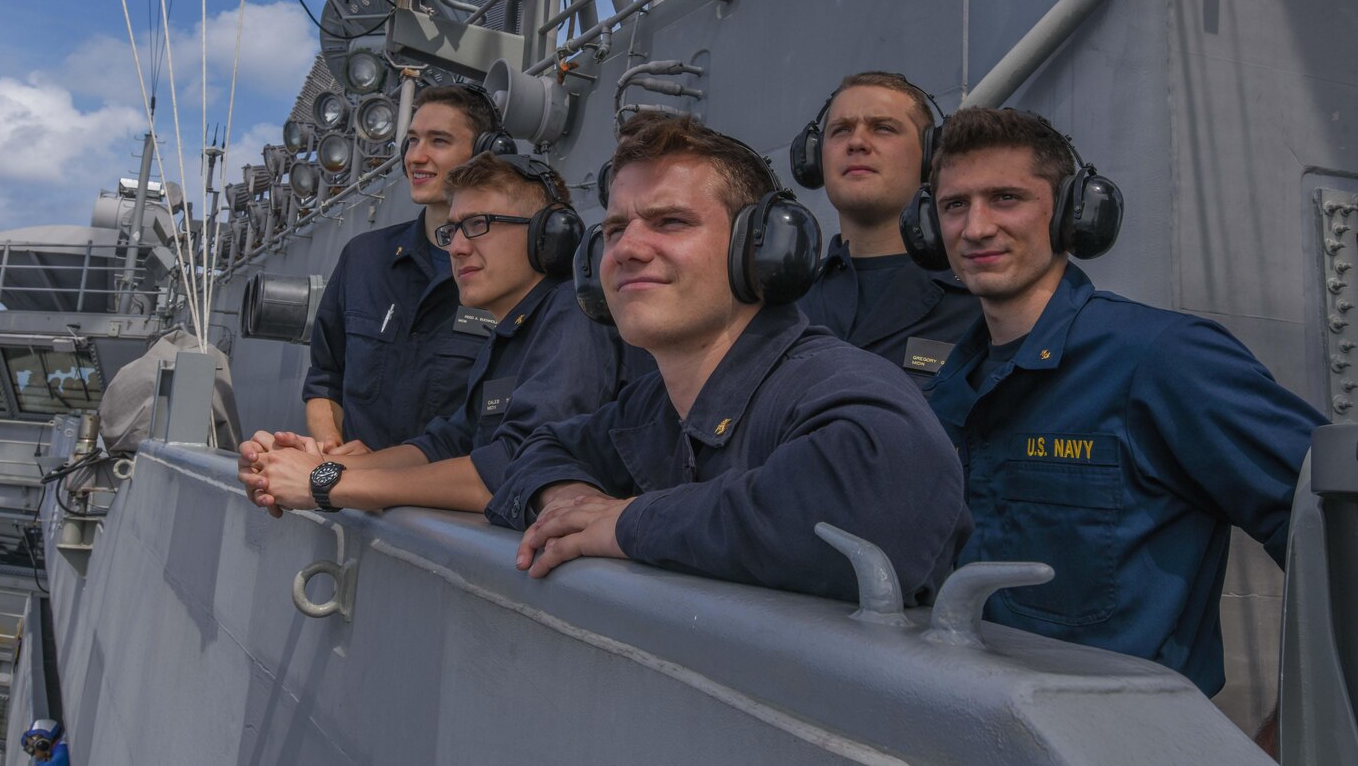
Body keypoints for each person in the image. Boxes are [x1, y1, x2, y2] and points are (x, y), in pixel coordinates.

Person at [915, 106, 1325, 696]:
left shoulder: (1163, 359)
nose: (975, 228)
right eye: (955, 205)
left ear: (1072, 216)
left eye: (1006, 198)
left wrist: (1295, 732)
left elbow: (1335, 524)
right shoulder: (948, 391)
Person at [487, 114, 971, 604]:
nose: (627, 249)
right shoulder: (654, 405)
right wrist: (572, 502)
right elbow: (541, 448)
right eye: (614, 230)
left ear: (759, 249)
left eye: (671, 222)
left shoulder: (834, 381)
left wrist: (631, 522)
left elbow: (870, 511)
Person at [241, 153, 646, 514]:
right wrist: (308, 466)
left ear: (549, 236)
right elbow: (444, 444)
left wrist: (326, 485)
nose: (456, 248)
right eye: (452, 231)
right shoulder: (509, 336)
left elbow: (520, 467)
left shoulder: (573, 316)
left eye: (477, 225)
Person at [300, 85, 498, 455]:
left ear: (485, 153)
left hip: (450, 509)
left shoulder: (511, 274)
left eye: (438, 141)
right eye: (412, 140)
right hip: (354, 499)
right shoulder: (363, 259)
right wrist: (331, 450)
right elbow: (325, 379)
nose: (416, 157)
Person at [793, 72, 982, 378]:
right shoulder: (784, 309)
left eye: (883, 128)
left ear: (930, 156)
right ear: (815, 158)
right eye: (840, 130)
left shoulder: (981, 301)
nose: (856, 142)